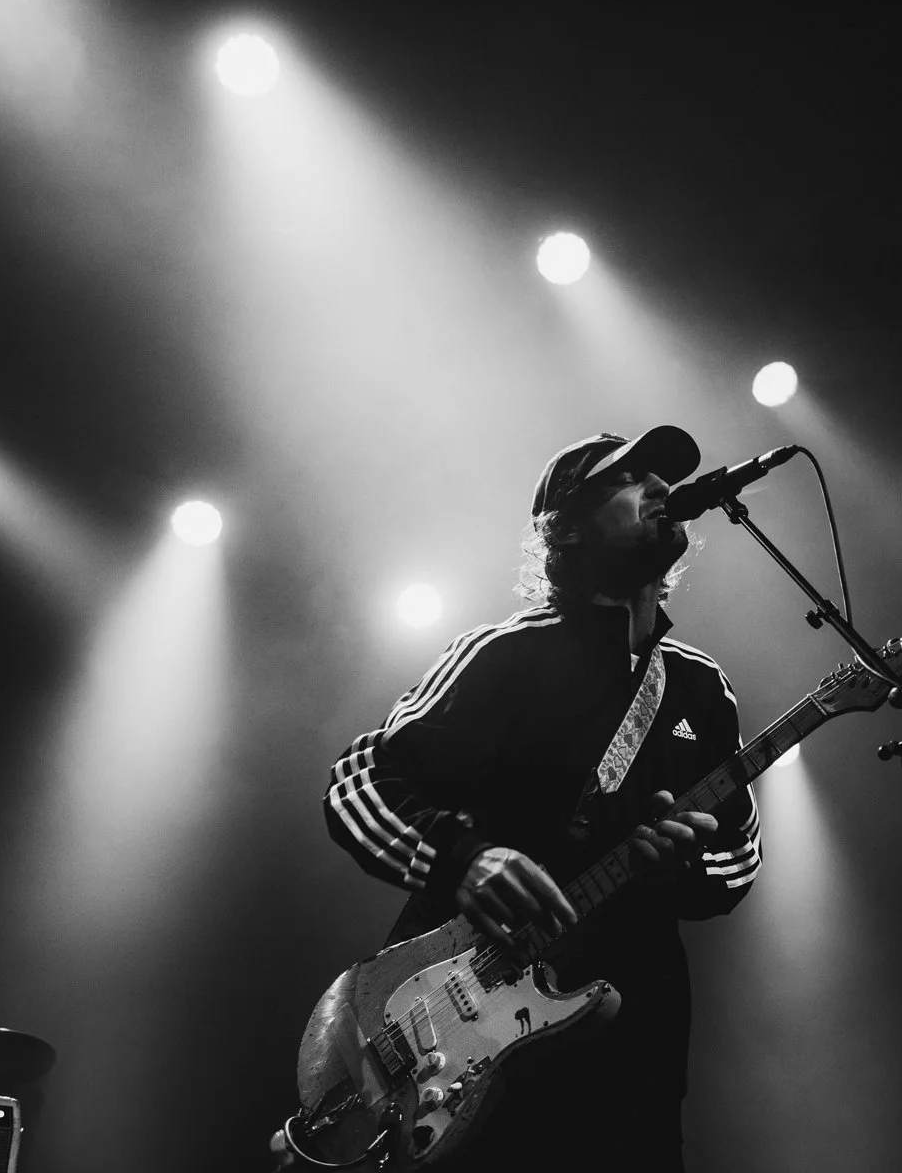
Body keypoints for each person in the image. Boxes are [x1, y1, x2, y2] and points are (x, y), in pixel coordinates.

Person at [322, 425, 761, 1172]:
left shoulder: (702, 688)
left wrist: (681, 865)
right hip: (460, 1038)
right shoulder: (504, 653)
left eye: (664, 478)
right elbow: (361, 780)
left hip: (631, 1056)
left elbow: (740, 856)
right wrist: (464, 859)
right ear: (568, 526)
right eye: (630, 480)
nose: (660, 488)